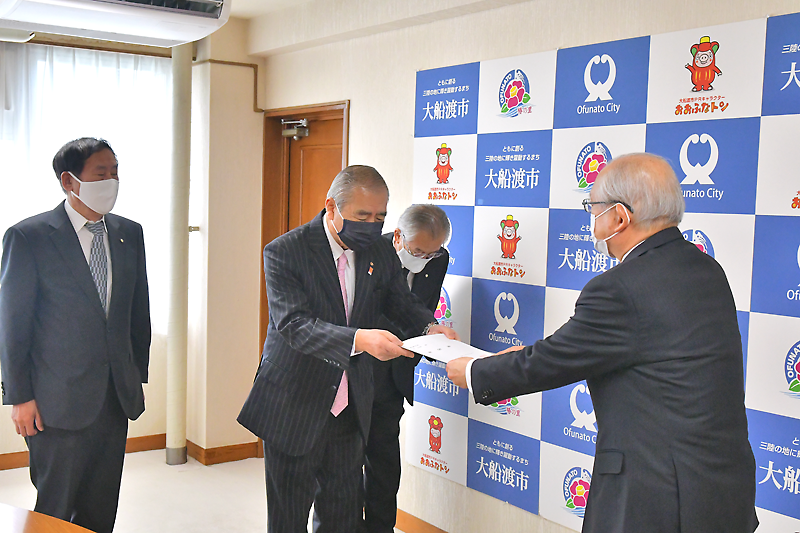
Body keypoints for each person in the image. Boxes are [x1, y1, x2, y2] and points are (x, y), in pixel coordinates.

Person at [447, 153, 758, 533]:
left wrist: (475, 371)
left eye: (594, 209)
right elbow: (622, 346)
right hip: (722, 489)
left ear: (619, 217)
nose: (593, 222)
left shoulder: (620, 287)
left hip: (660, 496)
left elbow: (555, 360)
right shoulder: (706, 268)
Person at [237, 166, 458, 533]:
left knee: (342, 517)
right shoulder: (285, 251)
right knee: (288, 519)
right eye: (363, 216)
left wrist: (429, 327)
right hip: (295, 403)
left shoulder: (378, 252)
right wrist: (360, 339)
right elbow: (294, 325)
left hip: (352, 406)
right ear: (332, 207)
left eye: (380, 217)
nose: (372, 225)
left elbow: (399, 301)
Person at [0, 138, 151, 533]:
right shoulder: (29, 236)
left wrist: (135, 375)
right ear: (69, 181)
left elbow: (138, 311)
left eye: (115, 172)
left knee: (101, 506)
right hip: (55, 401)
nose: (112, 182)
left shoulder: (129, 233)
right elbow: (13, 324)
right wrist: (19, 397)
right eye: (101, 174)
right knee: (55, 508)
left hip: (114, 397)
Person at [363, 204, 450, 533]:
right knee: (343, 467)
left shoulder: (438, 258)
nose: (425, 259)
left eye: (431, 253)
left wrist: (433, 334)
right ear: (398, 236)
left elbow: (421, 310)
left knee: (384, 466)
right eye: (417, 252)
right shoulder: (368, 253)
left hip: (394, 375)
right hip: (356, 371)